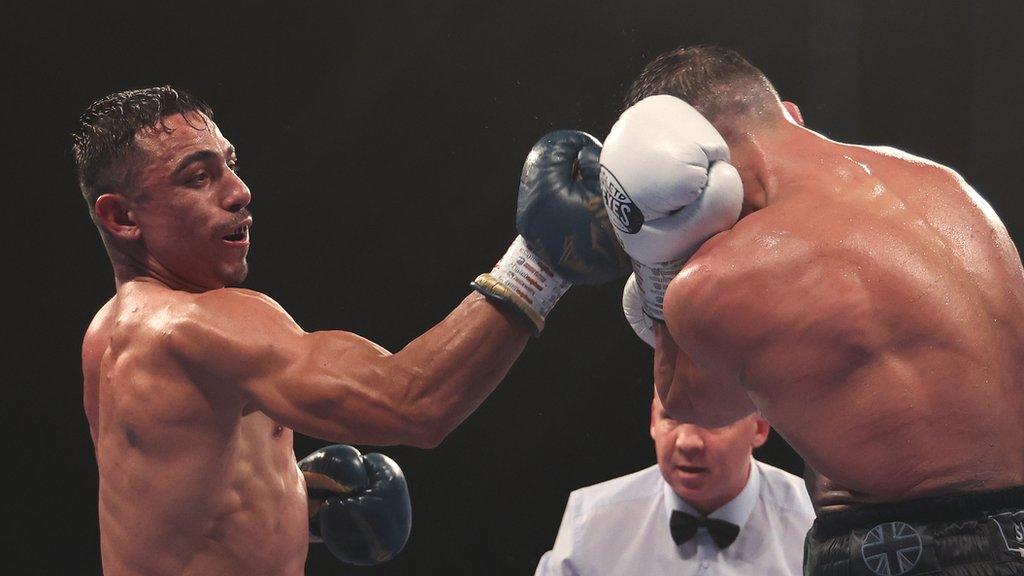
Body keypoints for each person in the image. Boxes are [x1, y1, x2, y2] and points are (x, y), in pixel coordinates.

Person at [73, 86, 629, 575]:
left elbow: (166, 507)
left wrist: (294, 497)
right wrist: (540, 263)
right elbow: (412, 402)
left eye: (229, 163)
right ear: (122, 218)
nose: (239, 190)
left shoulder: (108, 334)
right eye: (198, 177)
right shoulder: (195, 326)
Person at [599, 45, 1024, 575]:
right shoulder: (946, 183)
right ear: (789, 115)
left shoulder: (726, 274)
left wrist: (655, 255)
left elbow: (686, 399)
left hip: (903, 550)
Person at [535, 391, 813, 575]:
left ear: (759, 429)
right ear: (653, 421)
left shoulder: (813, 526)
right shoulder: (591, 521)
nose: (687, 441)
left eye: (713, 420)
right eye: (671, 416)